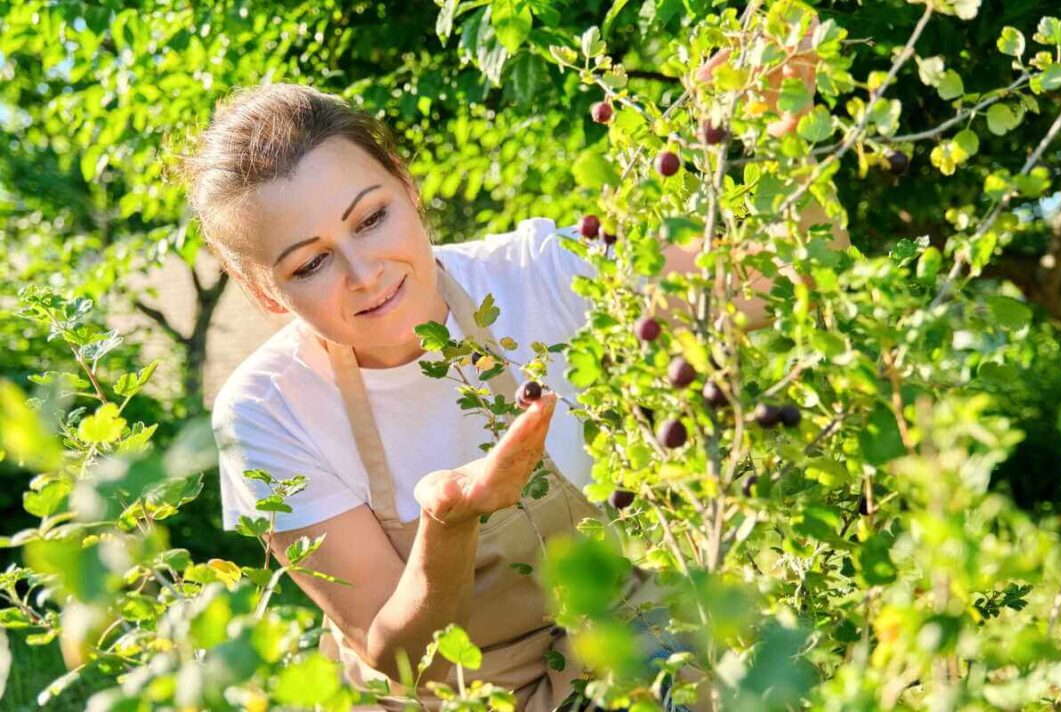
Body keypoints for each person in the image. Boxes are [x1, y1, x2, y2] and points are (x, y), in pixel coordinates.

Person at [184, 43, 844, 710]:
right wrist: (451, 521)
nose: (365, 273)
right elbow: (398, 654)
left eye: (372, 218)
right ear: (264, 293)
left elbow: (779, 286)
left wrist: (786, 129)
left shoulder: (538, 275)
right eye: (309, 264)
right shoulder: (266, 410)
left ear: (405, 183)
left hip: (629, 655)